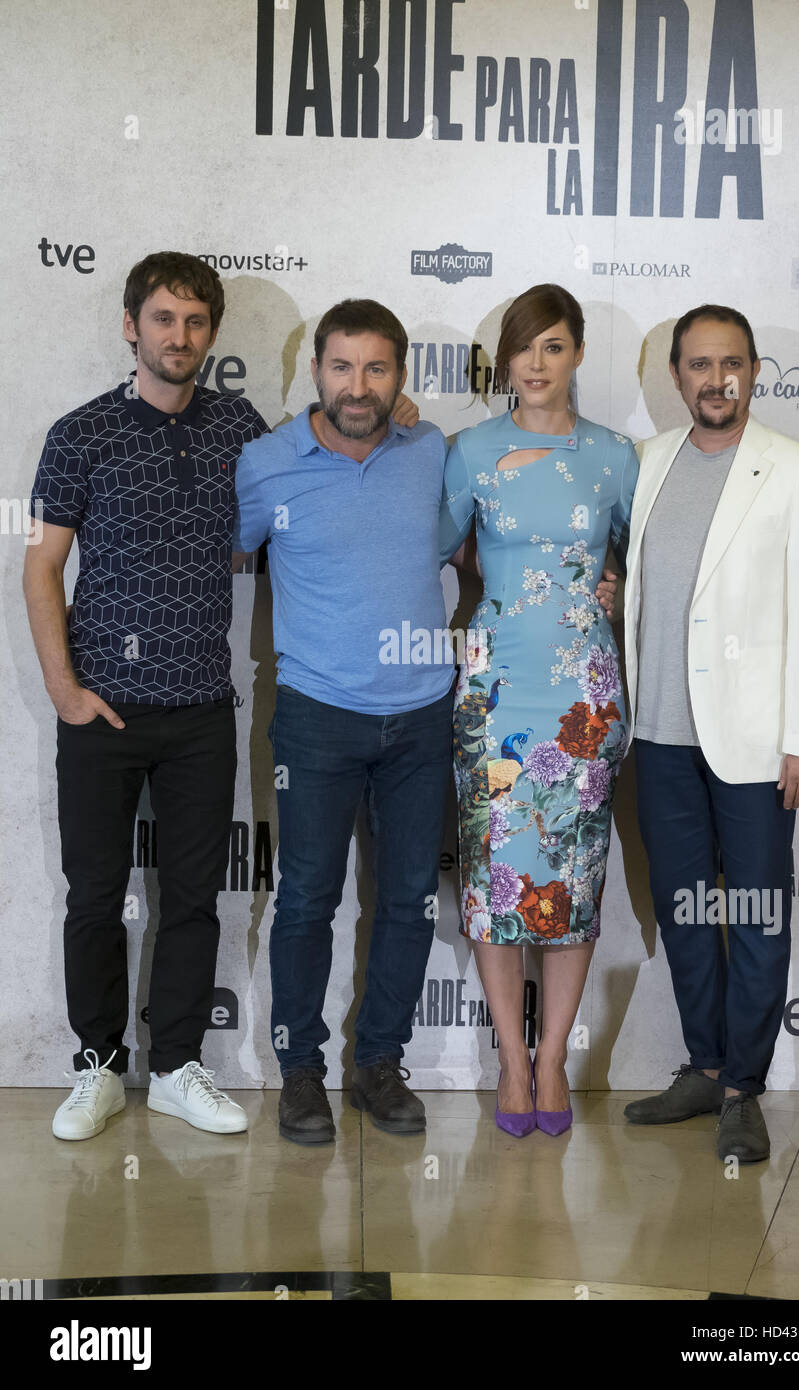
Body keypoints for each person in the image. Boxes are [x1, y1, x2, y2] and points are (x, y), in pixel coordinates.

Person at [24, 252, 268, 1140]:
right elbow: (42, 562)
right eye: (163, 319)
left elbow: (311, 477)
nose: (180, 336)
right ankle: (95, 1066)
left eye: (196, 321)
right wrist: (65, 688)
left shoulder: (242, 426)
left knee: (194, 898)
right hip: (103, 710)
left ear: (211, 333)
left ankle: (174, 1067)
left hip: (202, 707)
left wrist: (388, 415)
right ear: (132, 326)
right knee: (93, 893)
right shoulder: (80, 433)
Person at [620, 304, 799, 1162]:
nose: (716, 380)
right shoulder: (646, 465)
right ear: (675, 376)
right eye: (699, 365)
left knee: (755, 917)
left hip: (757, 743)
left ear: (754, 373)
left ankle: (745, 1088)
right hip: (662, 734)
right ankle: (705, 1066)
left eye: (733, 364)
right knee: (684, 911)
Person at [233, 299, 455, 1145]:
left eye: (376, 369)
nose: (357, 387)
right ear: (314, 371)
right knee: (305, 902)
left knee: (405, 900)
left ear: (401, 377)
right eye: (340, 367)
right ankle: (299, 1075)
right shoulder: (264, 463)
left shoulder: (431, 451)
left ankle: (379, 1064)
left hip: (422, 714)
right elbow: (229, 551)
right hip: (318, 716)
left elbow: (474, 541)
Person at [439, 284, 638, 1136]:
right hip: (495, 688)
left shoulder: (616, 456)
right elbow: (439, 546)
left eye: (552, 346)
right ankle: (509, 1062)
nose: (534, 363)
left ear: (578, 355)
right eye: (522, 347)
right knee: (494, 883)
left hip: (583, 694)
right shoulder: (469, 450)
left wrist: (619, 588)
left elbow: (649, 563)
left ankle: (552, 1053)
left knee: (573, 882)